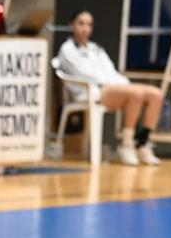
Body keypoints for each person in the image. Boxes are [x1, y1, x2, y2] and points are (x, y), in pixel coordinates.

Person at [56, 9, 161, 166]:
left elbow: (111, 71)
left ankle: (142, 143)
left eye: (89, 25)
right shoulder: (67, 49)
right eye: (81, 24)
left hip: (112, 87)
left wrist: (122, 84)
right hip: (92, 91)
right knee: (136, 93)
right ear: (72, 25)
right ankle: (126, 145)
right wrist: (115, 85)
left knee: (156, 94)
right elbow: (84, 74)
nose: (85, 28)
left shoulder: (96, 49)